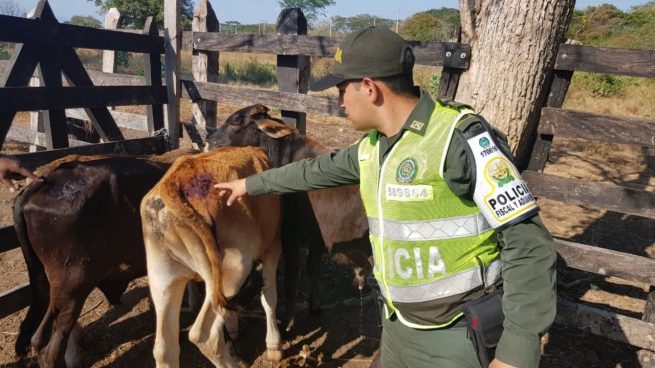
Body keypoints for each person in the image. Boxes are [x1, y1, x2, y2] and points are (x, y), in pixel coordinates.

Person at [214, 27, 556, 368]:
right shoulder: (374, 146)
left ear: (369, 87)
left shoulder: (460, 140)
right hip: (396, 327)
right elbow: (314, 170)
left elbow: (529, 244)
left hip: (455, 336)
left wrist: (516, 352)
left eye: (341, 89)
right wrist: (250, 185)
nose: (340, 101)